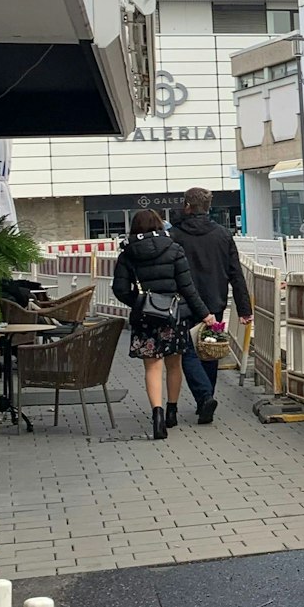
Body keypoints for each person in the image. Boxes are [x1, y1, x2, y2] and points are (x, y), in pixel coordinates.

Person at [112, 208, 215, 441]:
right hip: (173, 316)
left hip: (146, 318)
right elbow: (188, 288)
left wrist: (140, 302)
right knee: (174, 365)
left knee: (152, 367)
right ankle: (171, 411)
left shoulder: (128, 253)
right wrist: (205, 314)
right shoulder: (174, 249)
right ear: (160, 225)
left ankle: (156, 415)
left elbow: (119, 289)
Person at [171, 188, 253, 424]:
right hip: (214, 301)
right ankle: (207, 398)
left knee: (187, 350)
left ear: (187, 206)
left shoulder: (175, 235)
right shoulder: (223, 235)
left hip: (183, 302)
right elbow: (235, 274)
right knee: (209, 350)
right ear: (208, 207)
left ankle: (204, 396)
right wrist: (244, 309)